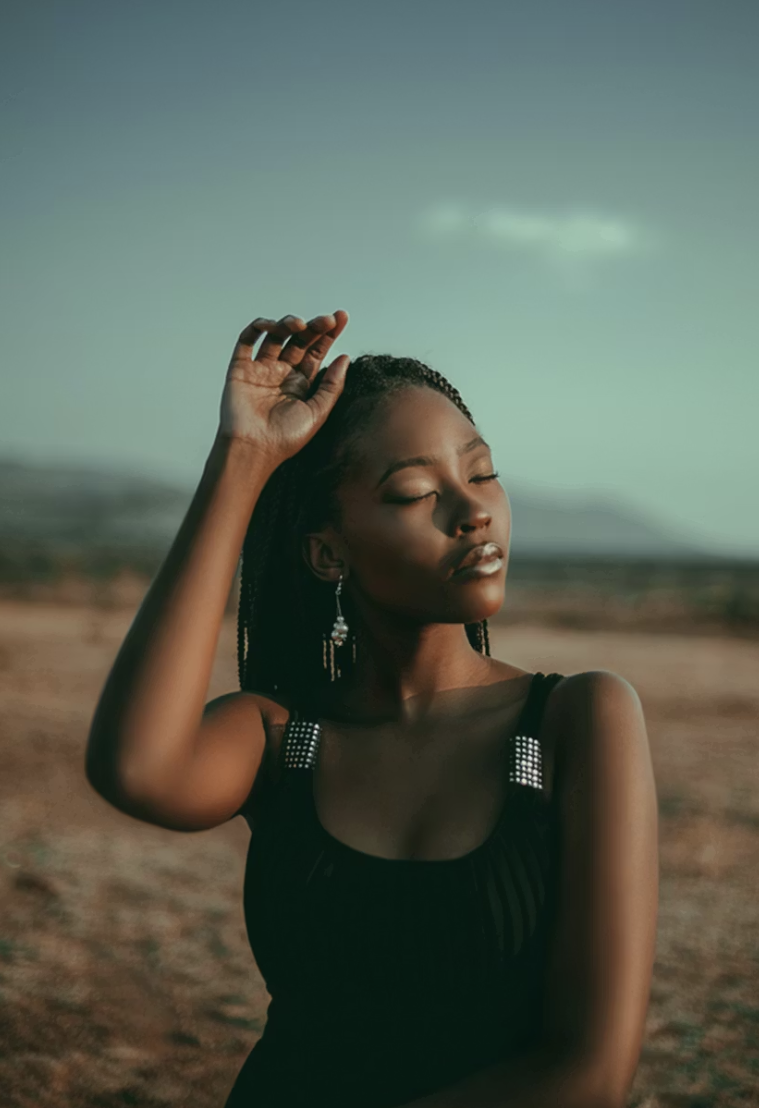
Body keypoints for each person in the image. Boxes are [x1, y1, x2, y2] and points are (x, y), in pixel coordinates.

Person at [85, 311, 659, 1108]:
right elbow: (137, 768)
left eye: (483, 472)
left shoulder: (576, 718)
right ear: (328, 552)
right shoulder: (282, 738)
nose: (474, 510)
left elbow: (587, 1075)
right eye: (417, 492)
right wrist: (243, 457)